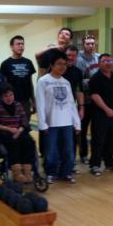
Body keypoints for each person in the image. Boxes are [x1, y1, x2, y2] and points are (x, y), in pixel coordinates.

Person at [36, 51, 81, 184]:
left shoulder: (66, 82)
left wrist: (77, 123)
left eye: (64, 64)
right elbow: (40, 103)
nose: (62, 67)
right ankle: (51, 173)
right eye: (59, 64)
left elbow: (71, 104)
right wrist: (42, 123)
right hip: (51, 123)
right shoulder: (43, 81)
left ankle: (66, 173)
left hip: (67, 123)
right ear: (51, 65)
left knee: (68, 150)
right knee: (51, 151)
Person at [88, 53, 113, 176]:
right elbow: (95, 95)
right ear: (99, 63)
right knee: (98, 140)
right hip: (100, 114)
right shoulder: (95, 78)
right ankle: (95, 165)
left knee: (112, 140)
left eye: (110, 61)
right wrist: (106, 109)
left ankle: (110, 164)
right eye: (105, 61)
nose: (108, 63)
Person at [0, 83, 36, 183]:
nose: (9, 98)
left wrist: (18, 131)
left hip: (19, 131)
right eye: (6, 96)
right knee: (13, 144)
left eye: (11, 95)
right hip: (4, 133)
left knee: (29, 142)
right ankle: (17, 173)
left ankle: (27, 172)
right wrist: (9, 129)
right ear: (1, 97)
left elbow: (24, 121)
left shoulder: (18, 105)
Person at [76, 34, 101, 164]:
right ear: (83, 45)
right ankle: (83, 154)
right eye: (88, 44)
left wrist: (91, 81)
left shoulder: (99, 57)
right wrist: (94, 82)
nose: (90, 46)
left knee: (97, 130)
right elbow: (80, 82)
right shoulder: (79, 60)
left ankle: (97, 155)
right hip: (84, 101)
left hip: (98, 101)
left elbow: (103, 78)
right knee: (83, 130)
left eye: (92, 43)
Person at [0, 35, 36, 118]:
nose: (21, 46)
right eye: (18, 44)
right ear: (12, 47)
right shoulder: (5, 64)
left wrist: (33, 100)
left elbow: (30, 83)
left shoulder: (28, 62)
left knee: (25, 126)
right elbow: (3, 86)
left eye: (22, 44)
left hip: (26, 101)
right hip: (11, 101)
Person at [63, 45, 85, 174]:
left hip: (72, 109)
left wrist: (81, 108)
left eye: (73, 55)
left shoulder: (78, 72)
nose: (70, 58)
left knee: (72, 138)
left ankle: (70, 165)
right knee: (61, 138)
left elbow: (79, 90)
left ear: (76, 57)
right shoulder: (57, 70)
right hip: (58, 110)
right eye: (68, 55)